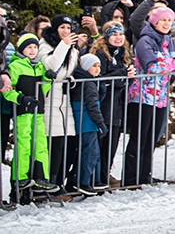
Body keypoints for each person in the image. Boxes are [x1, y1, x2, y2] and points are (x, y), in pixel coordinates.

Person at [124, 5, 175, 186]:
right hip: (142, 95)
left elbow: (173, 67)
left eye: (169, 20)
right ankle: (131, 177)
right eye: (163, 20)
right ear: (155, 21)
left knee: (151, 139)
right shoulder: (145, 41)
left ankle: (144, 175)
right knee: (140, 137)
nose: (166, 23)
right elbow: (153, 68)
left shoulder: (168, 41)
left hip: (160, 96)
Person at [4, 33, 58, 198]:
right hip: (22, 113)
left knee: (41, 144)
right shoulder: (16, 66)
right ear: (22, 49)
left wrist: (48, 79)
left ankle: (41, 176)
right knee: (24, 144)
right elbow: (8, 91)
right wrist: (21, 99)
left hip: (38, 111)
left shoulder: (39, 66)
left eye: (35, 47)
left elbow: (43, 90)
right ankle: (19, 177)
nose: (33, 50)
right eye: (29, 47)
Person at [39, 14, 85, 188]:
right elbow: (52, 66)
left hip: (64, 101)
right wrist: (63, 46)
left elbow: (67, 71)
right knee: (54, 146)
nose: (66, 31)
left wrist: (71, 80)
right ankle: (50, 184)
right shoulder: (45, 44)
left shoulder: (72, 48)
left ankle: (60, 183)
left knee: (69, 144)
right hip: (49, 100)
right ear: (55, 29)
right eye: (62, 28)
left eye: (68, 28)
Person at [90, 22, 133, 189]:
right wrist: (122, 73)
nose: (118, 37)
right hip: (103, 105)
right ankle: (96, 177)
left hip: (116, 106)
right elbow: (101, 79)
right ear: (107, 36)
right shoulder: (101, 54)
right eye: (114, 34)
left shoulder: (123, 53)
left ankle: (105, 174)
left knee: (112, 144)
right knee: (101, 144)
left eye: (120, 34)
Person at [69, 54, 108, 196]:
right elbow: (92, 105)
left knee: (91, 151)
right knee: (90, 152)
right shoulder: (88, 83)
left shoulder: (88, 81)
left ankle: (93, 180)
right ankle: (84, 181)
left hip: (86, 121)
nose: (97, 69)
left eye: (98, 66)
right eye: (94, 66)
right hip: (87, 122)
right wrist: (100, 123)